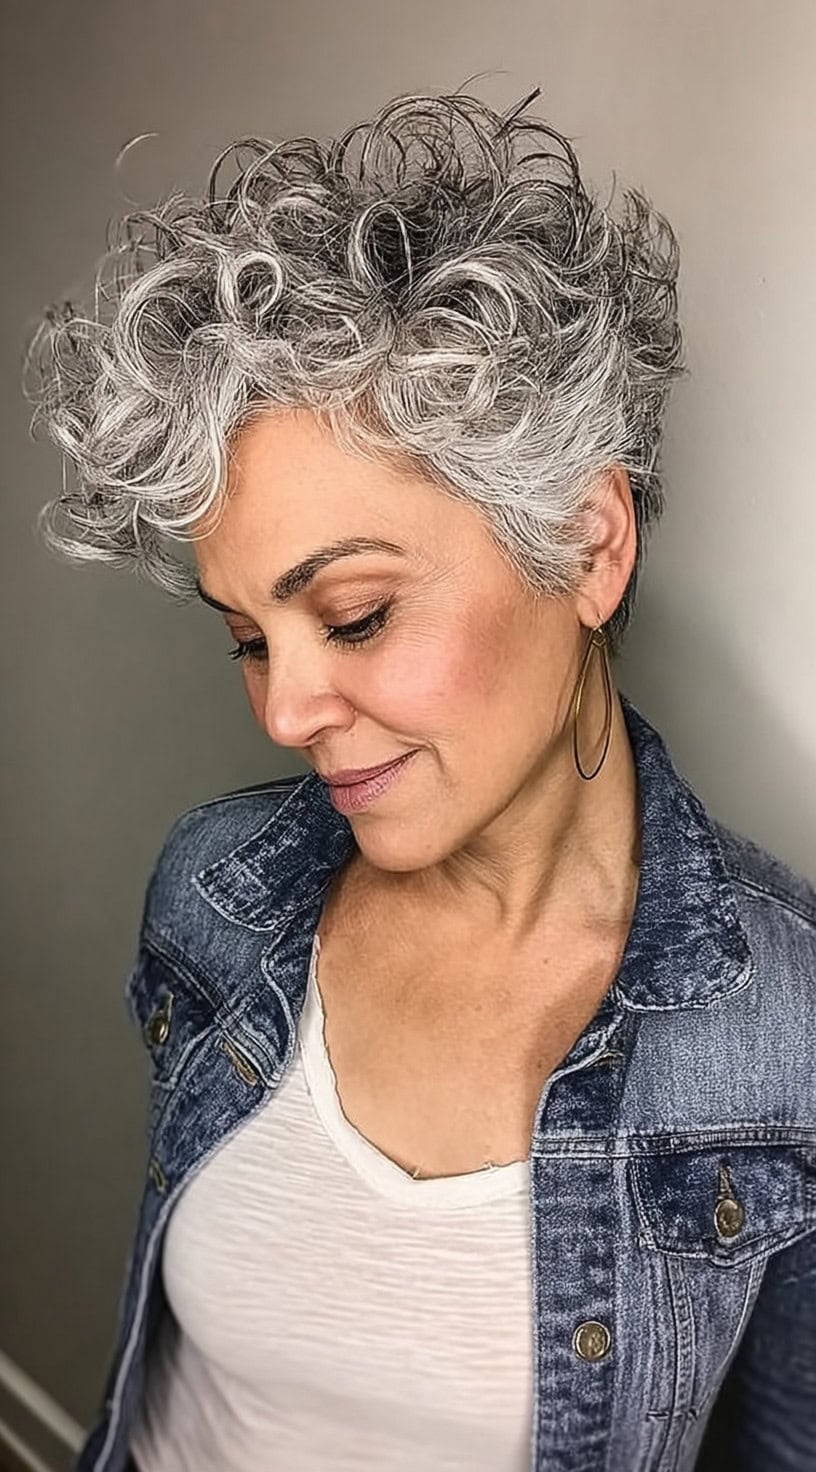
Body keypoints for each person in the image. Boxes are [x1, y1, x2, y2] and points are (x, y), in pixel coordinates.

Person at [27, 90, 815, 1472]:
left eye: (353, 615)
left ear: (587, 542)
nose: (282, 708)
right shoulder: (213, 896)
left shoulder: (787, 1043)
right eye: (245, 640)